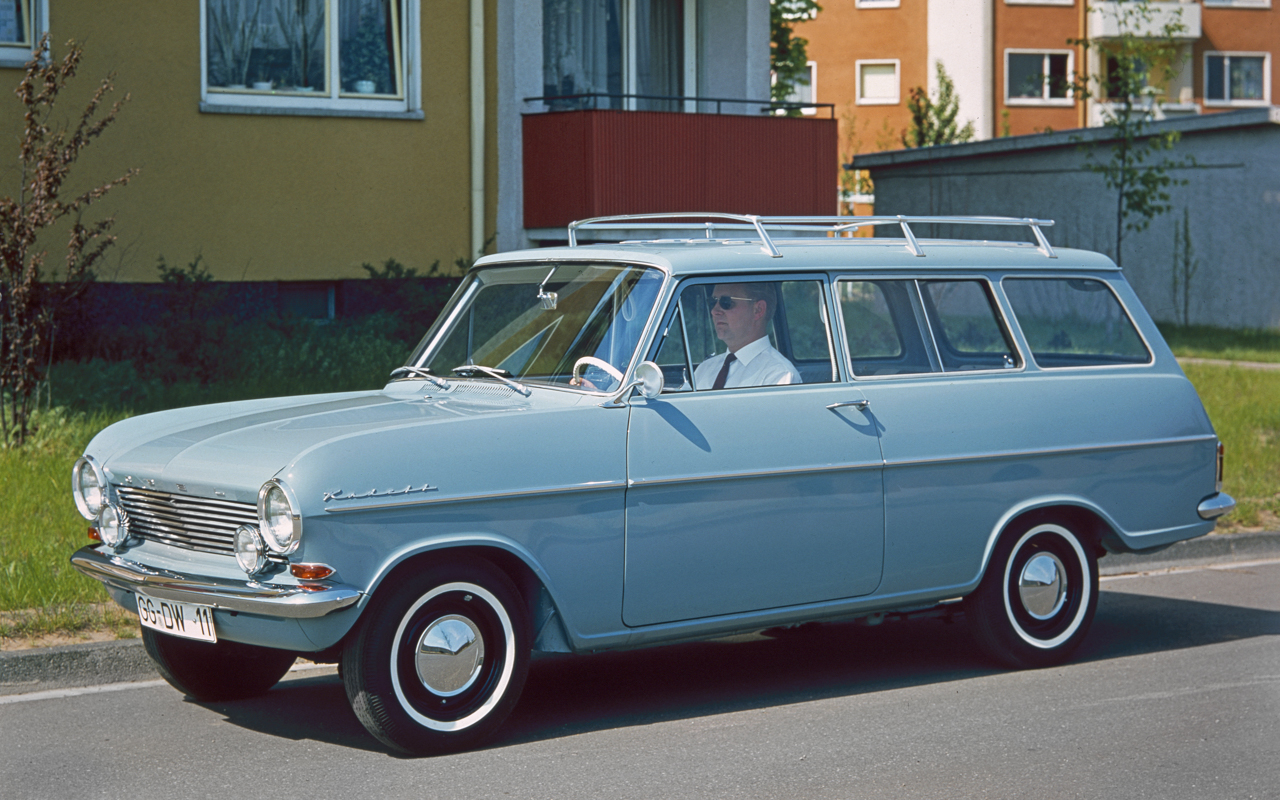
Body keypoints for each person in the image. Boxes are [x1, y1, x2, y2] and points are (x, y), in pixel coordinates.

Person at [692, 282, 801, 390]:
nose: (714, 311)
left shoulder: (779, 374)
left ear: (758, 310)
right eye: (712, 302)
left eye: (726, 302)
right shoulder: (704, 369)